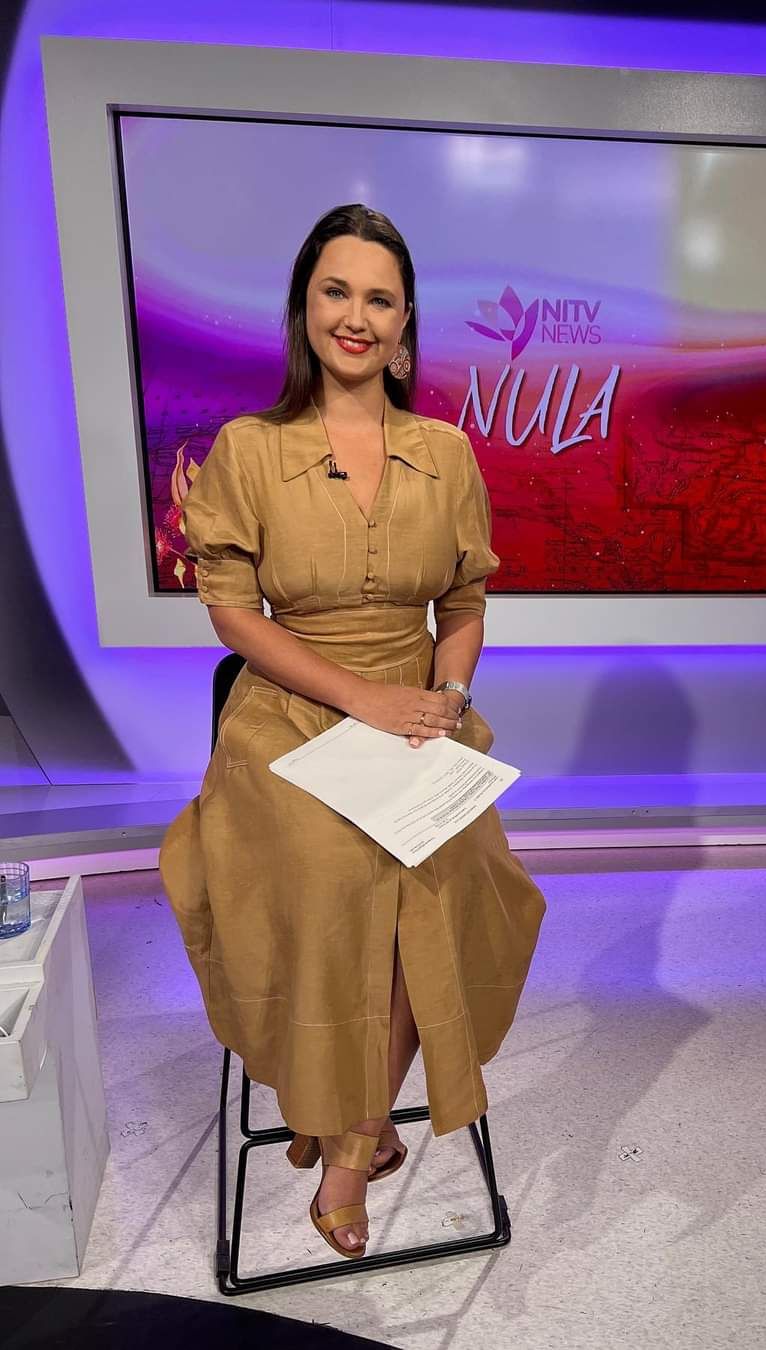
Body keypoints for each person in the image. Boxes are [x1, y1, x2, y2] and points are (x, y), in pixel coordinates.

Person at [159, 203, 547, 1261]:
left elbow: (463, 605)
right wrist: (359, 698)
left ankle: (350, 1129)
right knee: (336, 869)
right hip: (286, 715)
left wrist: (447, 697)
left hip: (419, 713)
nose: (357, 316)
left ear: (405, 321)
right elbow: (233, 614)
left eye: (380, 298)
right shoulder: (248, 449)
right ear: (303, 307)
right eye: (337, 291)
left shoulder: (447, 453)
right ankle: (350, 1139)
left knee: (453, 877)